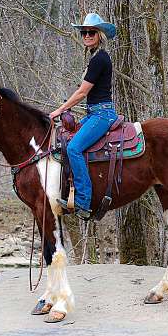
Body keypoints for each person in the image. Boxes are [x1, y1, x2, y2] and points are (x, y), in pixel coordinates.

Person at [50, 13, 118, 220]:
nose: (86, 35)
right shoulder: (95, 58)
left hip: (102, 114)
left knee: (73, 148)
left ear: (99, 35)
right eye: (84, 32)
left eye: (91, 32)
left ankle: (83, 201)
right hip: (94, 113)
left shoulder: (99, 59)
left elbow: (82, 92)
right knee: (67, 141)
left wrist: (60, 110)